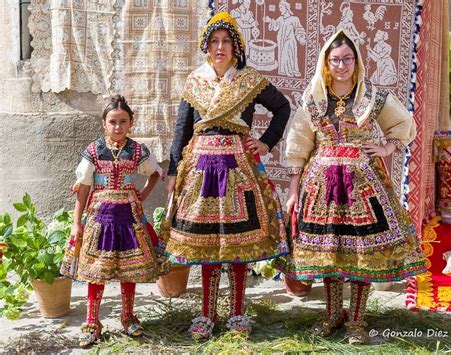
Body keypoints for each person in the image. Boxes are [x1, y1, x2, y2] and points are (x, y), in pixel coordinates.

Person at [275, 30, 427, 345]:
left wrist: (387, 147)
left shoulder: (372, 95)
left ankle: (357, 318)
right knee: (329, 250)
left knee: (363, 250)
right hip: (322, 186)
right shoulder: (314, 97)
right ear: (326, 63)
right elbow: (299, 142)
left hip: (364, 185)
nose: (342, 65)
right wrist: (293, 187)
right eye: (335, 60)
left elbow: (404, 125)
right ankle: (333, 313)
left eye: (347, 59)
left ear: (356, 61)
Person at [165, 12, 291, 340]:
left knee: (239, 242)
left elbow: (283, 108)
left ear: (236, 48)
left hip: (239, 169)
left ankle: (236, 314)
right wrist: (172, 170)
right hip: (201, 170)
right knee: (206, 243)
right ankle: (207, 313)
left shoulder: (249, 80)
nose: (220, 47)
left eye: (226, 41)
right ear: (205, 46)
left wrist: (265, 143)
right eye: (214, 41)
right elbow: (181, 128)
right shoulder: (195, 81)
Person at [61, 95, 169, 347]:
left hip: (129, 217)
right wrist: (77, 222)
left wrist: (143, 193)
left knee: (127, 268)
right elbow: (83, 187)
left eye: (123, 121)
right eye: (112, 122)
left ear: (131, 123)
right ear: (104, 124)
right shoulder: (93, 151)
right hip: (100, 217)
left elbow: (155, 173)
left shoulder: (138, 150)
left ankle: (128, 316)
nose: (117, 127)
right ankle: (91, 321)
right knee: (97, 270)